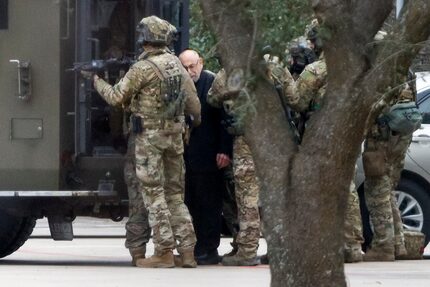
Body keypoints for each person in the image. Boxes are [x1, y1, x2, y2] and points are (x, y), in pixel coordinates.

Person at [91, 15, 201, 268]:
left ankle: (163, 251)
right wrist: (190, 124)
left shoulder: (142, 68)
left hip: (149, 140)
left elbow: (116, 97)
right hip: (174, 139)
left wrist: (96, 81)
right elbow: (194, 105)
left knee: (153, 194)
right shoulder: (175, 64)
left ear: (145, 39)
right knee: (175, 195)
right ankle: (187, 252)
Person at [276, 18, 364, 262]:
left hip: (321, 134)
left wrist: (285, 83)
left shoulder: (316, 70)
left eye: (313, 40)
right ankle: (353, 243)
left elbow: (299, 101)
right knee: (347, 185)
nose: (312, 45)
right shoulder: (356, 65)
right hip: (350, 130)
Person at [178, 49, 233, 265]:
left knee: (209, 205)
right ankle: (195, 247)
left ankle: (209, 249)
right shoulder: (181, 85)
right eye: (185, 67)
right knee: (190, 202)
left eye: (192, 66)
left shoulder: (213, 83)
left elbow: (225, 119)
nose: (189, 71)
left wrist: (224, 150)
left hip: (211, 155)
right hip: (188, 155)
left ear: (200, 63)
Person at [207, 69, 261, 266]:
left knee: (247, 197)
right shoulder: (274, 66)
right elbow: (294, 98)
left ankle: (247, 250)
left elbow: (212, 99)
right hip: (273, 139)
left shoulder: (228, 73)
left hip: (245, 139)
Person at [362, 83, 415, 261]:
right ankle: (398, 243)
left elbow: (372, 107)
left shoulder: (383, 72)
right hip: (400, 137)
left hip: (381, 138)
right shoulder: (404, 70)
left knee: (377, 191)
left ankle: (383, 245)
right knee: (387, 189)